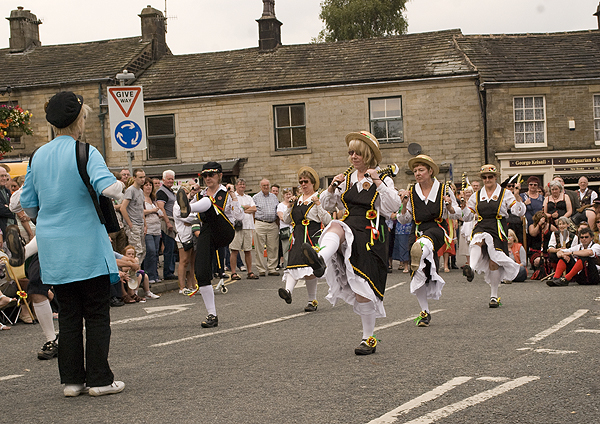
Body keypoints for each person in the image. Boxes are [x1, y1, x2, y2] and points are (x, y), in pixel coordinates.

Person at [20, 91, 124, 397]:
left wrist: (49, 220)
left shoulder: (37, 156)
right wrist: (119, 187)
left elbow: (27, 203)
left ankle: (72, 382)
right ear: (79, 119)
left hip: (54, 250)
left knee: (67, 316)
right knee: (95, 314)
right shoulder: (86, 152)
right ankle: (100, 380)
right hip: (87, 248)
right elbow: (107, 188)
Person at [302, 131, 401, 355]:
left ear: (367, 154)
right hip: (349, 226)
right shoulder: (346, 179)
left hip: (370, 233)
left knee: (362, 287)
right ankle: (320, 259)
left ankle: (368, 338)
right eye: (350, 153)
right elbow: (328, 206)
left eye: (357, 152)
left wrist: (377, 180)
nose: (353, 156)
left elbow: (392, 206)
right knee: (336, 225)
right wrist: (331, 187)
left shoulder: (382, 178)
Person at [178, 162, 243, 328]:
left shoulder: (226, 193)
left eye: (211, 175)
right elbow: (183, 218)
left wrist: (234, 195)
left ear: (219, 176)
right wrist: (191, 196)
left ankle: (188, 207)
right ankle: (212, 315)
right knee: (201, 272)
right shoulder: (199, 195)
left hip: (224, 229)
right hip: (207, 232)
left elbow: (239, 216)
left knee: (208, 203)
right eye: (205, 176)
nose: (208, 178)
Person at [398, 155, 461, 327]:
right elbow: (403, 220)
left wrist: (449, 206)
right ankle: (424, 311)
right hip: (416, 230)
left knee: (421, 246)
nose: (417, 174)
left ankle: (420, 251)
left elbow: (458, 214)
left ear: (430, 171)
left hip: (437, 229)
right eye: (415, 171)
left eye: (421, 170)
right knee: (417, 270)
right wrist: (403, 204)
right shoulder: (411, 192)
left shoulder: (444, 189)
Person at [462, 164, 525, 308]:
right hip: (482, 224)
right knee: (477, 240)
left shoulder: (505, 193)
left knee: (494, 262)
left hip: (498, 227)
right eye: (484, 177)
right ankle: (471, 268)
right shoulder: (476, 195)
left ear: (495, 177)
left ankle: (494, 296)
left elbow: (518, 211)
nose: (487, 179)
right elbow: (467, 216)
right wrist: (463, 205)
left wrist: (517, 197)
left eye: (490, 177)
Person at [278, 167, 331, 312]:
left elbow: (327, 219)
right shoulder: (297, 200)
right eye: (301, 181)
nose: (303, 184)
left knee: (310, 269)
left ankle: (312, 301)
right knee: (292, 264)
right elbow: (288, 220)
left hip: (312, 236)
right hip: (298, 236)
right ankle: (288, 292)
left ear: (313, 182)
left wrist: (318, 204)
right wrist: (289, 206)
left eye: (305, 181)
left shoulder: (318, 197)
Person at [229, 178, 259, 280]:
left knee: (248, 250)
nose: (242, 186)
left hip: (248, 226)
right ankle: (233, 272)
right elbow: (234, 209)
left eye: (243, 184)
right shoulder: (233, 197)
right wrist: (244, 208)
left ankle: (250, 271)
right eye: (240, 184)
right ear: (236, 186)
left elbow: (254, 208)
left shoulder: (249, 197)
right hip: (237, 226)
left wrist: (242, 209)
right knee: (235, 250)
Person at [253, 179, 281, 276]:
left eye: (267, 185)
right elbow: (253, 211)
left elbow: (278, 210)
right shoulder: (255, 197)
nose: (266, 187)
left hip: (272, 224)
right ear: (260, 187)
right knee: (259, 247)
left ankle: (272, 268)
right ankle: (261, 269)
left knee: (273, 247)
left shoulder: (274, 197)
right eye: (264, 185)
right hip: (260, 223)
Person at [173, 184, 197, 294]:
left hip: (192, 235)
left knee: (192, 261)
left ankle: (192, 285)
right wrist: (192, 218)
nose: (186, 196)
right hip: (182, 236)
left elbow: (194, 217)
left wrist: (192, 218)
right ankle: (182, 287)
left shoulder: (191, 204)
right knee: (184, 261)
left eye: (187, 193)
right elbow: (185, 217)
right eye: (184, 194)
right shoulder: (177, 206)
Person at [120, 169, 146, 264]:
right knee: (136, 251)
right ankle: (134, 272)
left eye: (143, 177)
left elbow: (141, 209)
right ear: (134, 178)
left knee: (142, 250)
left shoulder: (141, 191)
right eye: (140, 177)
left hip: (140, 223)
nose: (143, 180)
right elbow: (123, 208)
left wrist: (145, 224)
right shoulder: (130, 190)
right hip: (133, 224)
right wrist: (129, 223)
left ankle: (138, 271)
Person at [156, 170, 177, 280]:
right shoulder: (162, 192)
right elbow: (161, 207)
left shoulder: (170, 191)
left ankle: (171, 270)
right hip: (166, 221)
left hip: (173, 220)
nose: (170, 181)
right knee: (169, 248)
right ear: (163, 180)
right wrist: (167, 222)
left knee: (172, 248)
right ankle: (168, 272)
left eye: (172, 179)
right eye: (168, 179)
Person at [142, 177, 162, 283]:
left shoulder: (153, 199)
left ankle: (155, 275)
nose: (149, 187)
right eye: (146, 185)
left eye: (150, 185)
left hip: (156, 228)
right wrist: (152, 210)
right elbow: (140, 212)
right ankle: (148, 275)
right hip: (148, 228)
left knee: (156, 252)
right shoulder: (141, 199)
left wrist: (158, 211)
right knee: (150, 251)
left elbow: (159, 211)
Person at [528, 210, 556, 279]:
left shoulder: (550, 226)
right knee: (538, 261)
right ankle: (538, 271)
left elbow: (557, 234)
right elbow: (533, 234)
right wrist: (539, 225)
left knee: (549, 261)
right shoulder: (532, 226)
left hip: (547, 250)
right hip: (535, 251)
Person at [276, 188, 293, 269]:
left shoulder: (295, 204)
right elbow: (281, 217)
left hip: (294, 230)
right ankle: (287, 267)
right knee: (286, 250)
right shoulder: (280, 205)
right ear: (283, 196)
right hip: (285, 230)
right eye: (286, 194)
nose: (288, 196)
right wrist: (292, 221)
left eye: (290, 194)